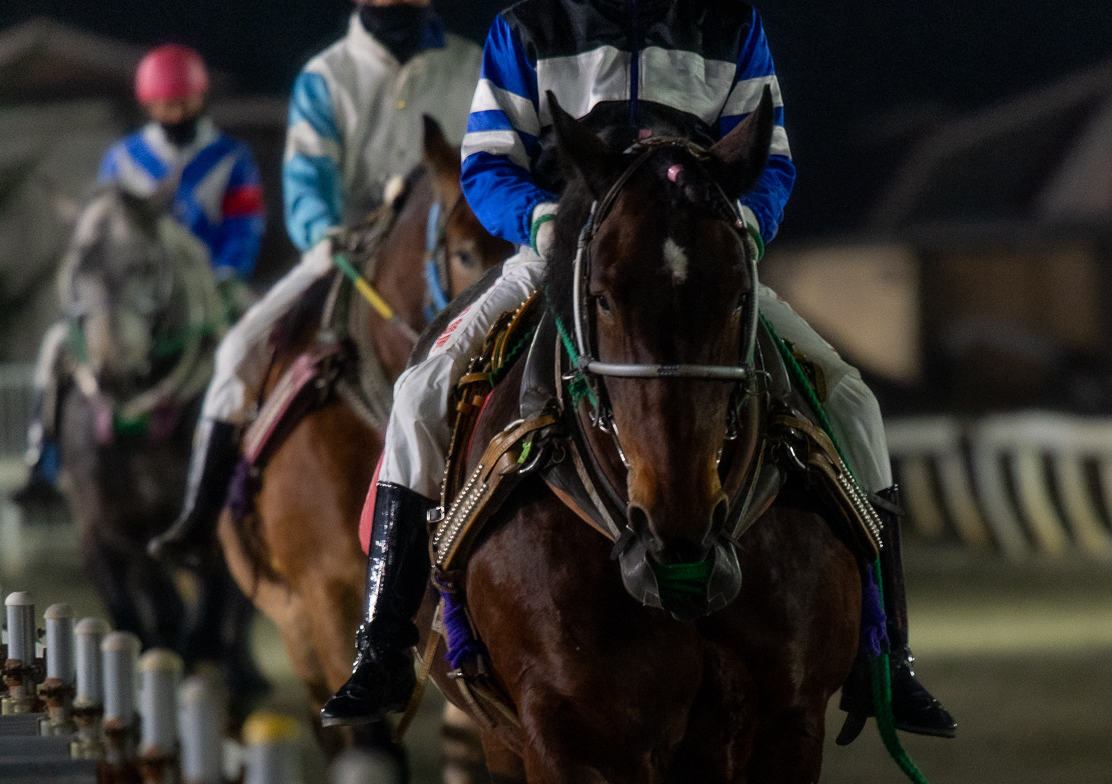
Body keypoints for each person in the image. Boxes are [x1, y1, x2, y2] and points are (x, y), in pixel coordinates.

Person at [318, 0, 957, 741]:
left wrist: (738, 223)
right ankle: (385, 645)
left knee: (850, 397)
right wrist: (545, 220)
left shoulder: (726, 22)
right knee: (420, 390)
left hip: (695, 257)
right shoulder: (527, 27)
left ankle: (889, 659)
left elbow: (770, 158)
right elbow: (486, 163)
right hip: (567, 253)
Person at [146, 0, 481, 565]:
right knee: (234, 354)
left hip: (465, 256)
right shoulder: (326, 77)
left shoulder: (472, 65)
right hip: (348, 252)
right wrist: (320, 230)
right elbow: (308, 176)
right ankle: (201, 519)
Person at [15, 43, 266, 510]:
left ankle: (258, 454)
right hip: (137, 291)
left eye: (184, 104)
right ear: (148, 105)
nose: (175, 113)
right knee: (57, 346)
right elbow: (107, 229)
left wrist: (228, 271)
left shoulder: (232, 157)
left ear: (200, 100)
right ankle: (41, 460)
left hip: (214, 284)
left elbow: (244, 224)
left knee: (261, 337)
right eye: (165, 105)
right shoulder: (124, 159)